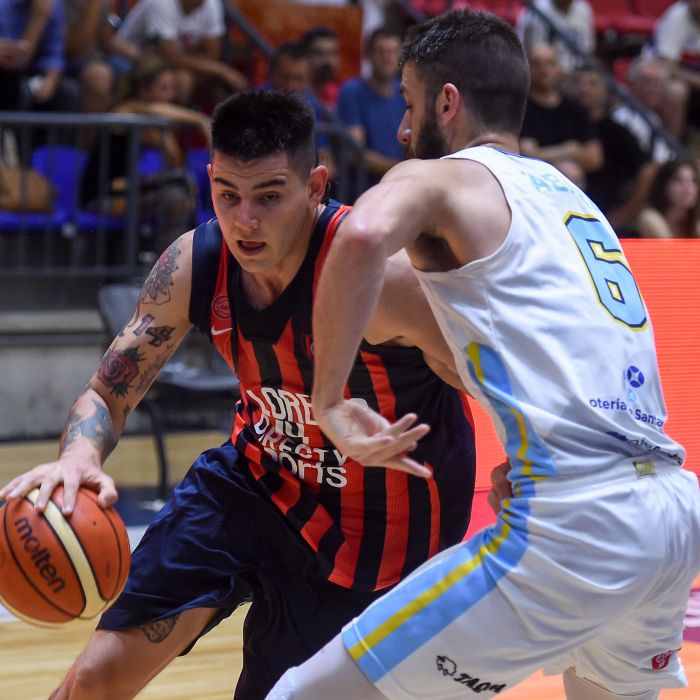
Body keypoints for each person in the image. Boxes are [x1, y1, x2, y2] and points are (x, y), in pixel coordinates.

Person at [268, 9, 700, 700]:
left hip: (579, 526)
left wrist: (329, 403)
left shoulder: (445, 178)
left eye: (409, 105)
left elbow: (361, 237)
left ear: (447, 102)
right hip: (670, 514)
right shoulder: (570, 200)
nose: (403, 130)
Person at [0, 89, 477, 699]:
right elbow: (107, 391)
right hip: (253, 484)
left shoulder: (383, 277)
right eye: (228, 195)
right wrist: (78, 456)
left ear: (315, 186)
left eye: (269, 197)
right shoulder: (194, 264)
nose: (245, 220)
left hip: (377, 538)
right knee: (95, 679)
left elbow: (500, 386)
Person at [115, 0, 247, 107]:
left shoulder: (211, 3)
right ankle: (168, 126)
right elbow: (168, 55)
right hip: (129, 61)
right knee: (181, 80)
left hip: (166, 63)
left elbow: (212, 55)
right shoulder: (159, 3)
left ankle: (213, 127)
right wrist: (221, 70)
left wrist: (217, 70)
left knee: (218, 87)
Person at [519, 42, 602, 178]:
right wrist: (571, 150)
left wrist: (545, 154)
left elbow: (595, 159)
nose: (543, 70)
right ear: (527, 69)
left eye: (549, 63)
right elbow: (528, 157)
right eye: (536, 64)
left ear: (559, 70)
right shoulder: (520, 109)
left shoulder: (576, 109)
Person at [337, 26, 405, 187]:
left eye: (393, 52)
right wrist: (401, 169)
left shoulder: (405, 92)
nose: (387, 58)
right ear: (368, 54)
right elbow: (355, 152)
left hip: (400, 185)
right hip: (364, 189)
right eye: (381, 52)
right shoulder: (352, 92)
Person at [637, 157, 700, 238]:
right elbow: (668, 245)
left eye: (693, 180)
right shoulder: (649, 217)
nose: (688, 187)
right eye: (679, 180)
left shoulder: (695, 222)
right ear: (664, 185)